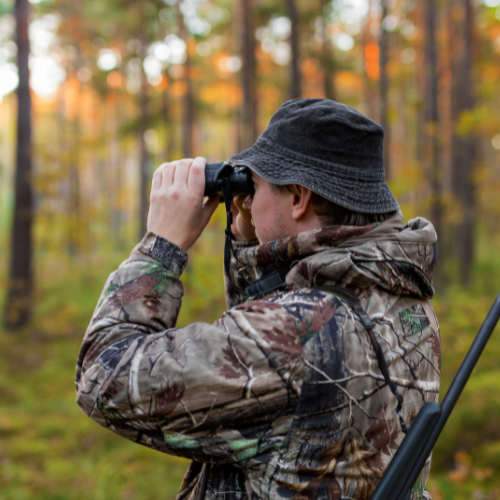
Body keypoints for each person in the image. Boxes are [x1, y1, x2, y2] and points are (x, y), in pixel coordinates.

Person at [75, 98, 440, 500]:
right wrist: (253, 240)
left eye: (257, 184)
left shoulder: (295, 333)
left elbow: (103, 378)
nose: (247, 199)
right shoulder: (400, 296)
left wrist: (160, 248)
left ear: (299, 197)